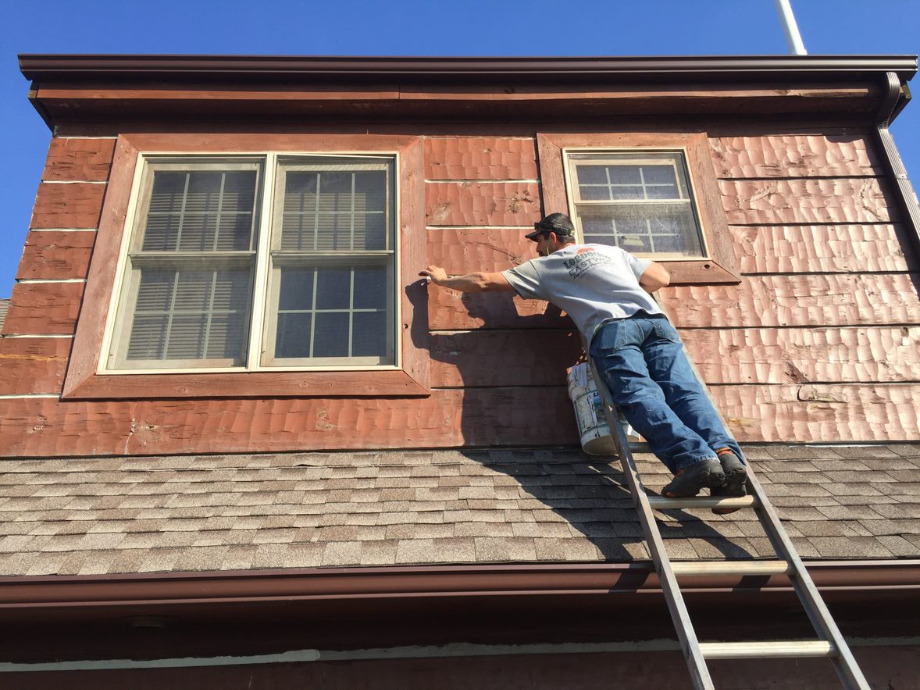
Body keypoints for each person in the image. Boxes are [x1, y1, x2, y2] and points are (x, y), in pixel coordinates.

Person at [420, 212, 746, 507]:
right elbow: (660, 279)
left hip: (611, 330)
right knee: (685, 393)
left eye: (538, 242)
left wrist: (443, 278)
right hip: (655, 322)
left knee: (639, 396)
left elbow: (483, 282)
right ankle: (726, 457)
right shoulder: (610, 251)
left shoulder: (547, 266)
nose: (536, 250)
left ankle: (693, 460)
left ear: (551, 237)